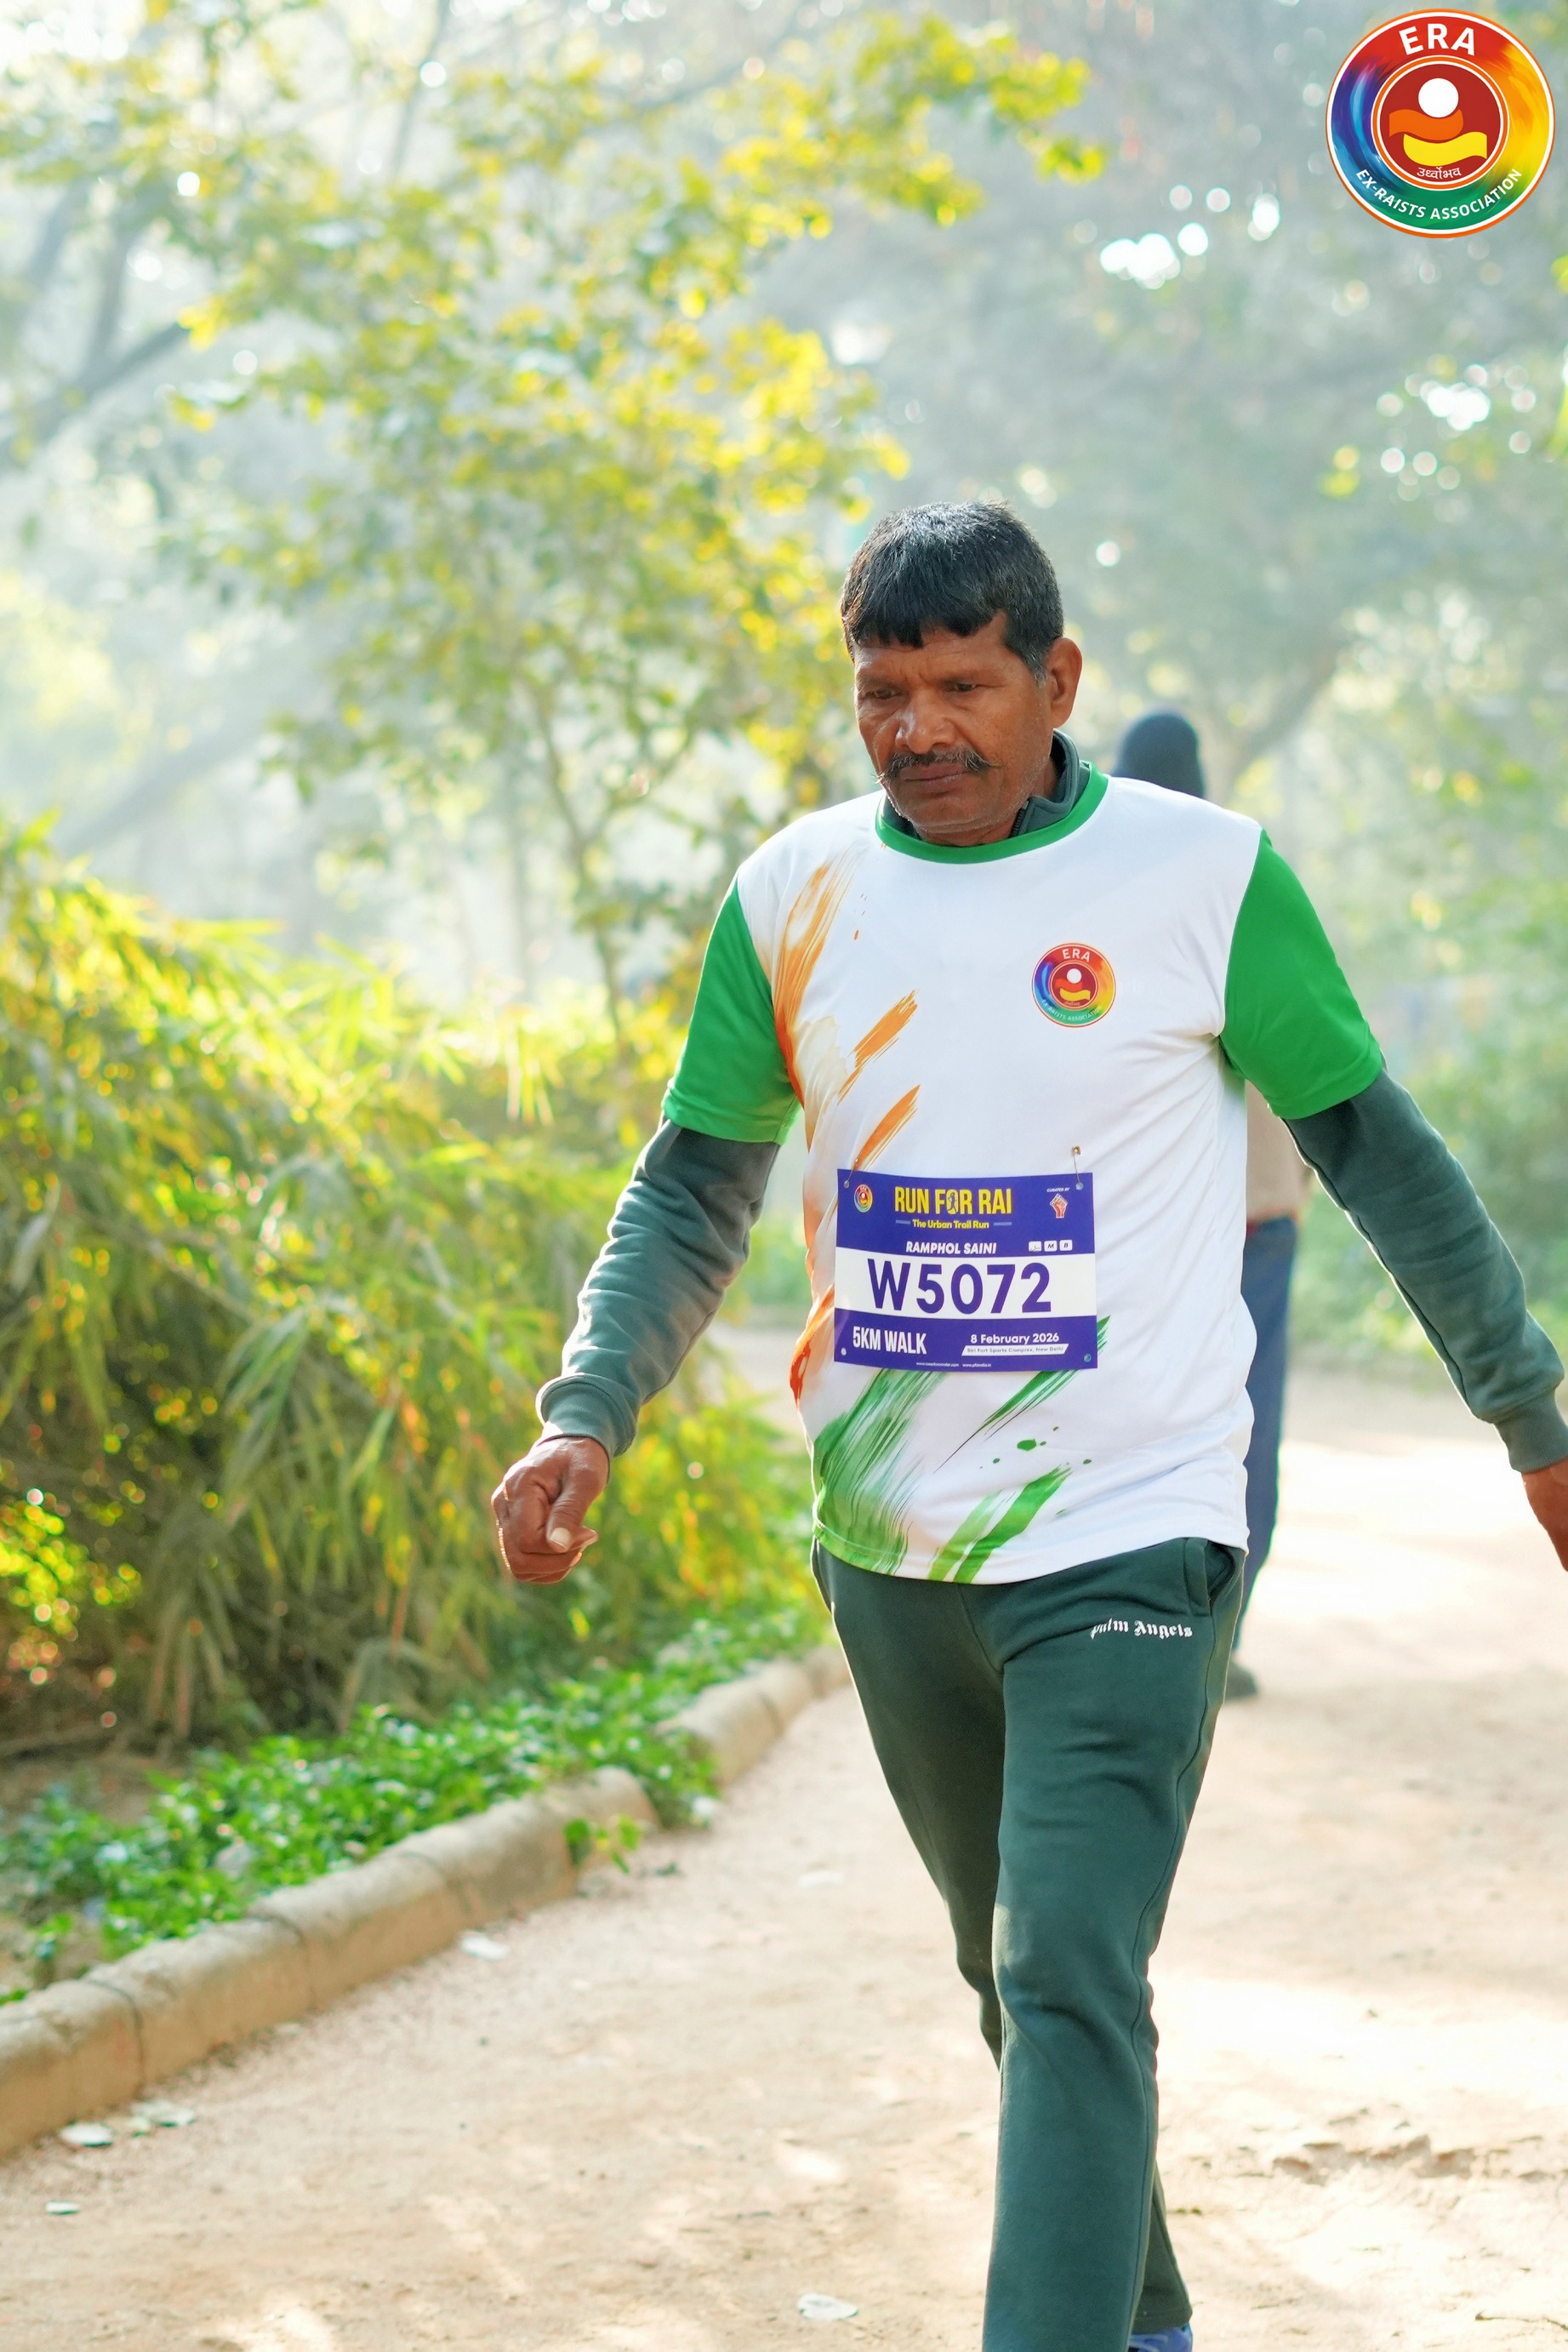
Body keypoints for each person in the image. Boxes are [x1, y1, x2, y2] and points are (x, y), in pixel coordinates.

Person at [491, 504, 1568, 2352]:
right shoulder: (792, 894)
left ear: (1055, 678)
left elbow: (1379, 1155)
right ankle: (1142, 2317)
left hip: (1138, 1519)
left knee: (1065, 1958)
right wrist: (589, 1408)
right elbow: (692, 1186)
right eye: (881, 690)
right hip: (889, 1541)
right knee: (1017, 1978)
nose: (917, 726)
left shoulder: (1202, 878)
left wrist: (1528, 1413)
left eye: (961, 685)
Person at [1113, 711, 1307, 1698]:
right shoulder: (1243, 873)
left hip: (1141, 1221)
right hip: (1255, 1216)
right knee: (1244, 1423)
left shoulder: (1095, 892)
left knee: (1129, 1420)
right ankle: (1213, 1637)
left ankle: (1127, 1630)